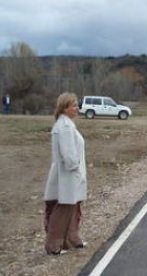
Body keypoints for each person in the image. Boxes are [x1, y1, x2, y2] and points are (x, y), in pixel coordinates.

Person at [44, 92, 87, 255]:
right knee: (63, 210)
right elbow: (68, 155)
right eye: (74, 105)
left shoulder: (65, 124)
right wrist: (75, 169)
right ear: (65, 108)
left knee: (74, 208)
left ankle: (72, 239)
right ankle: (53, 245)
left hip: (68, 175)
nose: (77, 108)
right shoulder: (66, 127)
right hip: (68, 176)